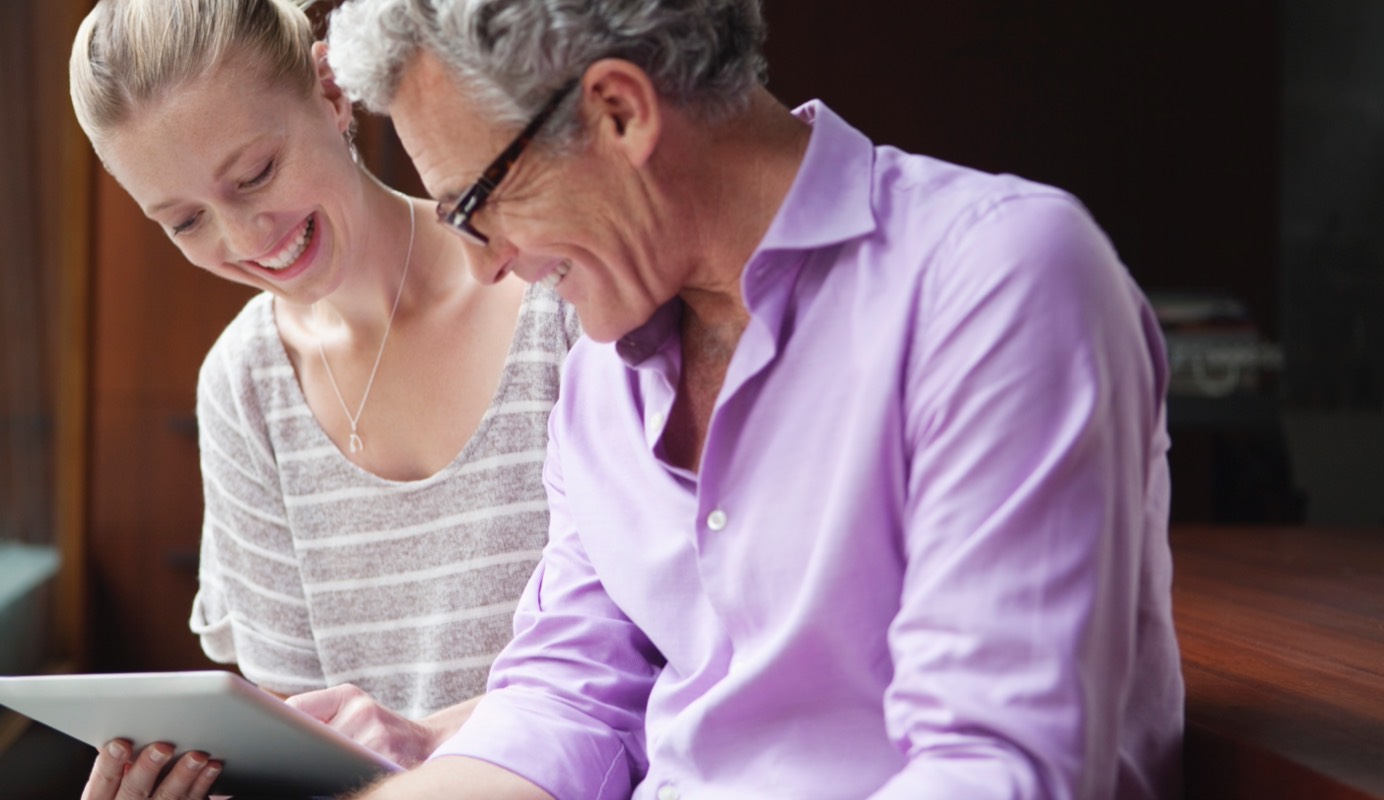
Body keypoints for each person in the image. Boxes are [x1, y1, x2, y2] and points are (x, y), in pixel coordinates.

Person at [326, 0, 1185, 797]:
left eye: (477, 204)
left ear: (619, 112)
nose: (484, 263)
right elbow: (567, 704)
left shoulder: (998, 279)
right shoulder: (599, 380)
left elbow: (992, 769)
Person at [68, 0, 579, 797]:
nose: (244, 239)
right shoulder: (245, 386)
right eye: (186, 221)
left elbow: (660, 652)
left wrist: (429, 741)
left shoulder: (559, 290)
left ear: (332, 89)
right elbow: (300, 759)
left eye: (256, 175)